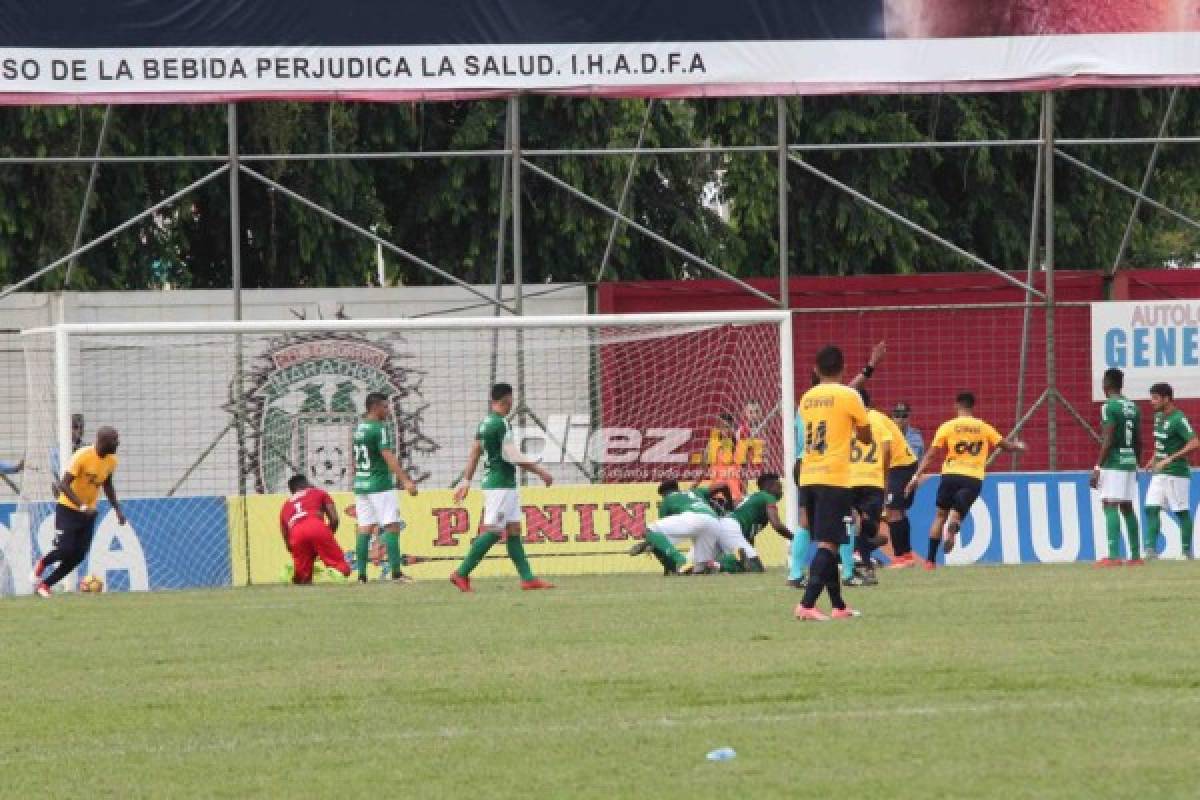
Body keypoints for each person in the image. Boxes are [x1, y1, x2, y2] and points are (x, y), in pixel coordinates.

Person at [788, 341, 886, 591]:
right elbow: (851, 393)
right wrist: (870, 366)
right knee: (846, 521)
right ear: (841, 369)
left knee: (804, 522)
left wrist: (870, 367)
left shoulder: (806, 401)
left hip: (804, 464)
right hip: (830, 469)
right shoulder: (842, 398)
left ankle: (795, 573)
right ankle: (848, 573)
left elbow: (849, 388)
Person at [450, 382, 555, 592]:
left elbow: (475, 453)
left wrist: (466, 481)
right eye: (511, 399)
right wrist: (540, 470)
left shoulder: (485, 423)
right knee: (493, 531)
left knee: (513, 530)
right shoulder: (501, 423)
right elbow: (512, 455)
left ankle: (528, 578)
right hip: (500, 485)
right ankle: (461, 573)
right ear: (508, 399)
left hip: (500, 483)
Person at [906, 393, 1025, 569]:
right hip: (972, 477)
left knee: (939, 516)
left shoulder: (947, 426)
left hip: (950, 475)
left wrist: (916, 475)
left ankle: (930, 561)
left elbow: (931, 454)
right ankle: (953, 525)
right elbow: (1004, 445)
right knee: (957, 511)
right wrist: (1017, 446)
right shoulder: (983, 427)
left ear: (956, 406)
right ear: (972, 407)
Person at [30, 426, 126, 598]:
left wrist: (117, 509)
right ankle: (42, 563)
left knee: (78, 556)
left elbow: (107, 484)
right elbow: (63, 484)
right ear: (103, 441)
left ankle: (45, 585)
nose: (118, 443)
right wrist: (82, 506)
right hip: (68, 508)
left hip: (88, 513)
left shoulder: (112, 460)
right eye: (114, 440)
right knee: (65, 550)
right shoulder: (82, 456)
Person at [352, 392, 418, 584]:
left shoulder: (360, 428)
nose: (388, 410)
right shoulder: (379, 428)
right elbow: (388, 456)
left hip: (362, 484)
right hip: (379, 484)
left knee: (364, 528)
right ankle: (397, 574)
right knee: (392, 526)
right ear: (375, 408)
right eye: (385, 407)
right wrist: (405, 481)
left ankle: (362, 576)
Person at [1089, 368, 1143, 567]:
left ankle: (1113, 556)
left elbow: (1108, 438)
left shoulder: (1108, 406)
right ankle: (1136, 556)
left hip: (1114, 462)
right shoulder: (1133, 407)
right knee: (1127, 506)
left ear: (1106, 385)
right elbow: (1139, 439)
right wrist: (1136, 462)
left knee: (1109, 504)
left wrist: (1097, 466)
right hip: (1129, 462)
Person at [1143, 383, 1198, 559]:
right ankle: (1150, 551)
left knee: (1181, 512)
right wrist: (1153, 459)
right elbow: (1161, 442)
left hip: (1176, 472)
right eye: (1151, 397)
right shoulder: (1158, 417)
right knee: (1151, 508)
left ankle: (1186, 552)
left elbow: (1195, 442)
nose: (1151, 402)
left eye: (1155, 398)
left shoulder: (1178, 419)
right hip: (1159, 473)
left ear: (1167, 399)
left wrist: (1170, 458)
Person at [844, 388, 893, 586]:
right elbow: (888, 448)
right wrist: (884, 472)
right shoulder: (879, 420)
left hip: (851, 479)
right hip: (873, 480)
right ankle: (863, 564)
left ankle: (857, 560)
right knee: (868, 527)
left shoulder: (847, 421)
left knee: (856, 525)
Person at [630, 480, 726, 575]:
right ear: (677, 488)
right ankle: (706, 569)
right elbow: (720, 485)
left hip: (694, 517)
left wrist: (651, 543)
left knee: (650, 530)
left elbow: (660, 537)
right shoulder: (696, 492)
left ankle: (681, 561)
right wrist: (728, 503)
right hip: (714, 522)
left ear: (664, 494)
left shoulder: (667, 501)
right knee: (700, 569)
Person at [280, 474, 352, 584]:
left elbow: (286, 537)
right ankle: (334, 571)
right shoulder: (319, 492)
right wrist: (327, 536)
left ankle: (294, 570)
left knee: (303, 579)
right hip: (316, 525)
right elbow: (334, 519)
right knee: (342, 569)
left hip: (295, 532)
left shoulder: (285, 505)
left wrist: (298, 552)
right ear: (307, 483)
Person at [882, 402, 920, 568]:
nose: (900, 419)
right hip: (894, 474)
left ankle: (900, 557)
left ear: (909, 418)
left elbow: (913, 457)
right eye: (897, 415)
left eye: (904, 415)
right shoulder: (889, 431)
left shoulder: (914, 437)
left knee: (894, 513)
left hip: (903, 475)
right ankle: (907, 554)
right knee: (899, 513)